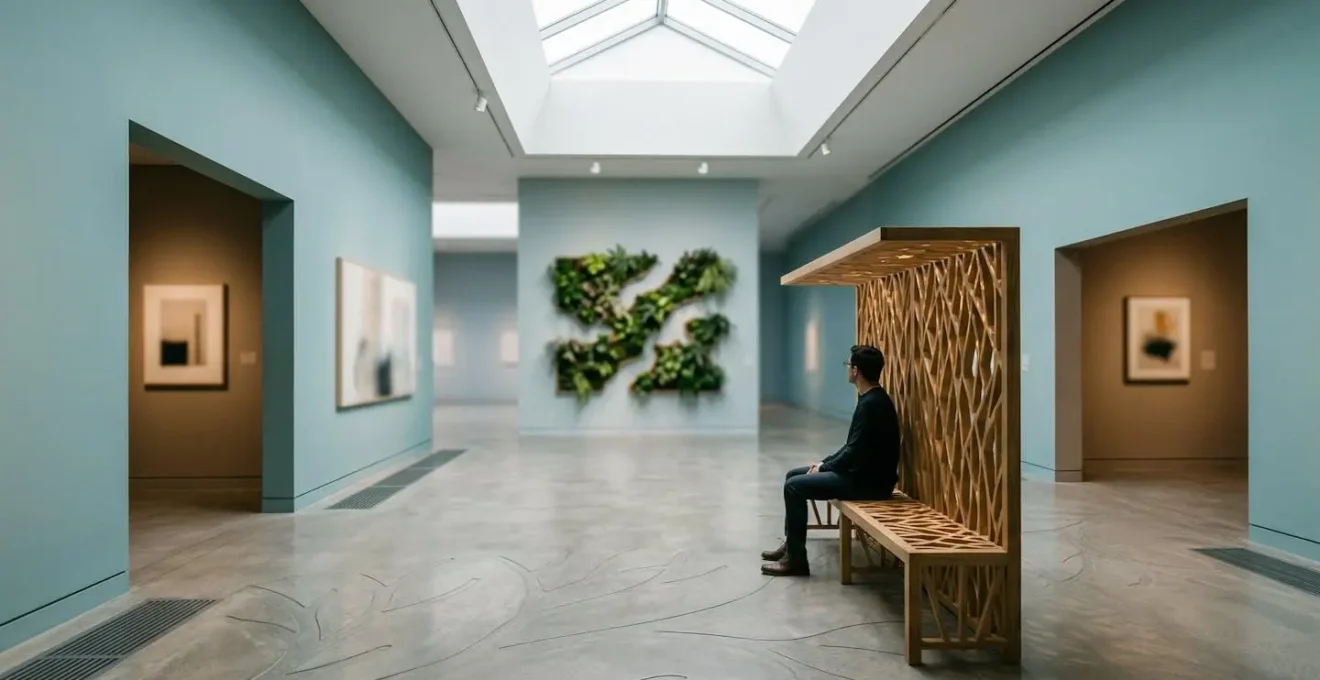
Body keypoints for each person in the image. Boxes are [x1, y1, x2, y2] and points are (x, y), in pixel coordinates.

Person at [761, 344, 901, 576]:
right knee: (793, 475)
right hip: (862, 474)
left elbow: (854, 453)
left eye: (848, 364)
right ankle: (791, 546)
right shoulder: (872, 399)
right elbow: (852, 447)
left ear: (856, 371)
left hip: (869, 484)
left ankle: (797, 561)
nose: (847, 368)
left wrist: (825, 467)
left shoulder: (871, 405)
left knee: (794, 487)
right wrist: (823, 464)